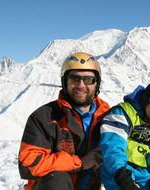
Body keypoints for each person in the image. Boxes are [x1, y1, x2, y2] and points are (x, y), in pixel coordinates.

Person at [18, 52, 110, 190]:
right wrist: (79, 163)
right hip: (52, 186)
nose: (81, 85)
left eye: (88, 80)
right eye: (74, 79)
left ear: (97, 84)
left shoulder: (108, 118)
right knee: (57, 178)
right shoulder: (44, 117)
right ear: (64, 81)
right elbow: (28, 164)